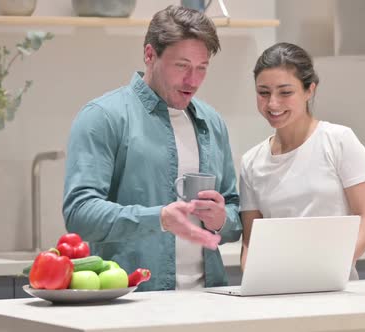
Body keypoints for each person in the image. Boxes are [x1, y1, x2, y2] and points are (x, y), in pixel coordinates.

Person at [62, 5, 242, 291]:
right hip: (131, 299)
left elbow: (234, 209)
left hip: (210, 298)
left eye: (202, 68)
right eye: (182, 66)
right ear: (149, 55)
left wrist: (222, 220)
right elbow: (80, 214)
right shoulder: (103, 117)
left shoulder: (212, 122)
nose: (193, 81)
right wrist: (159, 218)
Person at [239, 42, 365, 279]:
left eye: (285, 92)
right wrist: (255, 280)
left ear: (309, 90)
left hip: (335, 289)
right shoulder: (251, 162)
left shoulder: (339, 141)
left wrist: (331, 267)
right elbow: (251, 242)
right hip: (276, 292)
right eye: (263, 92)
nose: (273, 103)